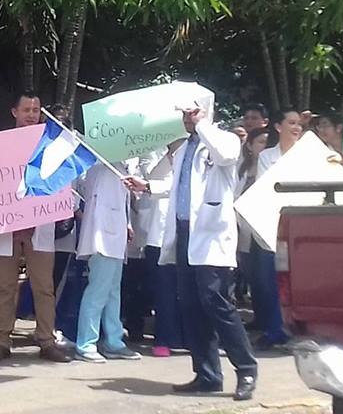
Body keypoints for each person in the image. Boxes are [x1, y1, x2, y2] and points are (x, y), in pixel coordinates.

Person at [130, 103, 257, 401]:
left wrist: (204, 125)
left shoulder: (224, 140)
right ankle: (207, 374)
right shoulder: (186, 149)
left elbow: (226, 156)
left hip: (211, 234)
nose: (188, 119)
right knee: (190, 305)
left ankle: (247, 369)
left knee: (216, 301)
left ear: (207, 113)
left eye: (193, 113)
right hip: (184, 234)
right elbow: (178, 186)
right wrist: (147, 186)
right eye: (185, 115)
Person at [0, 92, 70, 364]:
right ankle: (2, 339)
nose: (31, 114)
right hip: (4, 226)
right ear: (14, 112)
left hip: (40, 225)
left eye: (36, 110)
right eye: (26, 109)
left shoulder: (52, 144)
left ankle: (46, 340)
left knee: (44, 286)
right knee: (5, 286)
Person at [75, 160, 142, 363]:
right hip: (102, 233)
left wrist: (128, 223)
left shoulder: (122, 164)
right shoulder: (98, 162)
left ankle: (114, 340)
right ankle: (86, 343)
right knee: (98, 290)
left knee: (113, 290)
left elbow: (123, 200)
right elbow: (89, 191)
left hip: (116, 232)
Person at [251, 107, 302, 350]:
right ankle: (275, 330)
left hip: (301, 228)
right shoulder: (266, 157)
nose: (296, 127)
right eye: (291, 122)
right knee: (271, 282)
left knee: (299, 282)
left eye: (300, 124)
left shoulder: (311, 154)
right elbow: (267, 190)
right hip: (272, 226)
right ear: (278, 127)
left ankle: (300, 331)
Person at [138, 140, 186, 358]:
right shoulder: (151, 150)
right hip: (159, 233)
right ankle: (164, 337)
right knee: (163, 290)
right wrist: (171, 151)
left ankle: (186, 337)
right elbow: (152, 180)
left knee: (187, 289)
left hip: (188, 231)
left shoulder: (198, 148)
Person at [236, 126, 270, 328]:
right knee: (251, 275)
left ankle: (269, 321)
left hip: (264, 228)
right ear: (249, 145)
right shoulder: (241, 168)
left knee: (265, 277)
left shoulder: (273, 166)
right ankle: (258, 317)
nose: (264, 146)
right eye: (260, 142)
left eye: (267, 142)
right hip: (243, 227)